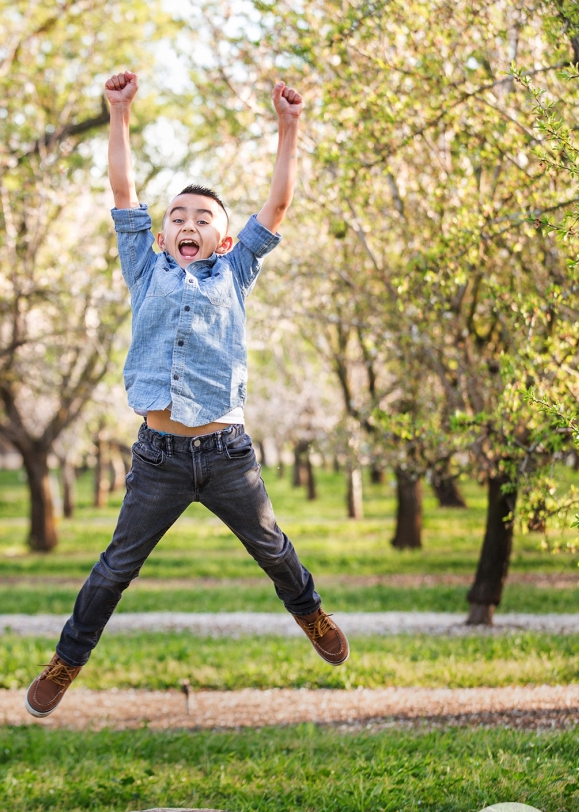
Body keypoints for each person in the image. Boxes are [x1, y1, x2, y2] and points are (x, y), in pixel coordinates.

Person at [25, 70, 349, 717]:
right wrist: (117, 114)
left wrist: (290, 128)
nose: (188, 222)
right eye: (178, 216)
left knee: (273, 550)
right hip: (159, 459)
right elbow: (122, 189)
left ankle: (310, 613)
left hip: (227, 454)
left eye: (203, 217)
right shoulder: (144, 268)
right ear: (163, 233)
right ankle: (67, 660)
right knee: (116, 568)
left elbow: (278, 207)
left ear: (223, 239)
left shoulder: (235, 270)